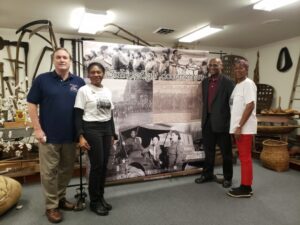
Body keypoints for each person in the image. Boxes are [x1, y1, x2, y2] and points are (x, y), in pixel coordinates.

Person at [27, 48, 85, 223]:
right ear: (54, 61)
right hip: (49, 137)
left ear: (70, 61)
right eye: (58, 57)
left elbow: (83, 109)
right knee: (49, 173)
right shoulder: (42, 80)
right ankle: (51, 207)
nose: (62, 60)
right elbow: (31, 105)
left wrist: (81, 134)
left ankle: (60, 199)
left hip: (71, 137)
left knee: (67, 171)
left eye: (65, 57)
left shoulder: (79, 82)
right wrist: (37, 129)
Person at [74, 62, 116, 216]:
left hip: (106, 129)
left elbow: (110, 115)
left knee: (104, 165)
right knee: (96, 165)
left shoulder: (107, 91)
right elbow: (78, 115)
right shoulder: (83, 90)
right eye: (93, 72)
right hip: (91, 129)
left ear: (103, 73)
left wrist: (113, 134)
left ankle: (101, 197)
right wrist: (80, 136)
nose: (96, 74)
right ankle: (94, 201)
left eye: (99, 72)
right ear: (88, 74)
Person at [195, 57, 234, 188]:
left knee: (226, 153)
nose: (212, 67)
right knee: (209, 151)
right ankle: (207, 174)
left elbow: (232, 105)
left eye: (216, 65)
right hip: (207, 122)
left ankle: (228, 178)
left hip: (222, 124)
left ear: (221, 66)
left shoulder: (228, 82)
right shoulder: (205, 82)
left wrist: (230, 124)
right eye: (210, 65)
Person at [227, 59, 257, 198]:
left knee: (245, 159)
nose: (238, 70)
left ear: (247, 69)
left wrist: (239, 127)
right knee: (244, 158)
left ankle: (246, 188)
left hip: (244, 129)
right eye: (236, 68)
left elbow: (250, 105)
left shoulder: (248, 84)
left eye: (241, 68)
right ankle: (246, 186)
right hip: (238, 128)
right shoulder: (238, 85)